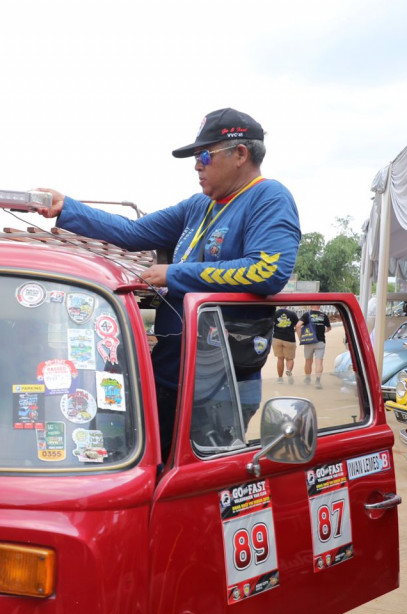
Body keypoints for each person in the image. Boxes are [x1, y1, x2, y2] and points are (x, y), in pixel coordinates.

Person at [37, 108, 300, 457]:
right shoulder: (199, 206)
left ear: (240, 154)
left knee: (198, 476)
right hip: (173, 368)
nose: (197, 165)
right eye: (195, 157)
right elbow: (132, 232)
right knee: (149, 463)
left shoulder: (269, 198)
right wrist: (67, 207)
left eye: (205, 155)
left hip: (220, 381)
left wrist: (175, 274)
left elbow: (268, 270)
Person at [300, 304, 333, 388]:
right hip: (320, 341)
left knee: (308, 361)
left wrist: (300, 337)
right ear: (320, 306)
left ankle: (307, 378)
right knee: (319, 362)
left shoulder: (307, 315)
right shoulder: (323, 315)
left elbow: (297, 325)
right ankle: (317, 381)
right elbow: (329, 328)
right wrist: (323, 332)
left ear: (311, 306)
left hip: (309, 341)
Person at [273, 307, 302, 383]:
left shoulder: (275, 313)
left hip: (277, 338)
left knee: (280, 359)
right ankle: (288, 372)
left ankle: (280, 379)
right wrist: (301, 338)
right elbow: (298, 326)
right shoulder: (292, 314)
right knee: (289, 359)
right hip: (289, 339)